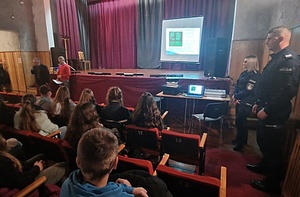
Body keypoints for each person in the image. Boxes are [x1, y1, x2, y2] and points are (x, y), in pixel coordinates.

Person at [247, 26, 300, 194]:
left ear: (279, 39)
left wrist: (268, 110)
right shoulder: (277, 58)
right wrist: (258, 102)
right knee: (263, 141)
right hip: (265, 105)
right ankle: (264, 166)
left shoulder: (288, 60)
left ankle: (272, 183)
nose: (267, 42)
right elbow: (267, 85)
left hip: (274, 112)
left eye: (269, 38)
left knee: (272, 148)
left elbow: (287, 91)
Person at [60, 127, 148, 197]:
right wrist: (130, 188)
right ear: (115, 163)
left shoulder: (67, 184)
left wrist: (127, 189)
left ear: (78, 162)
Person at [0, 134, 66, 190]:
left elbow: (21, 166)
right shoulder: (3, 161)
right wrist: (36, 168)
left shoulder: (4, 157)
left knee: (41, 156)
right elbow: (22, 182)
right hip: (28, 187)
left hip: (23, 176)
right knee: (63, 166)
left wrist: (35, 166)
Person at [231, 55, 261, 151]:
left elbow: (248, 90)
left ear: (251, 63)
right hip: (240, 99)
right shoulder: (244, 73)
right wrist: (235, 96)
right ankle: (240, 139)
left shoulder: (255, 75)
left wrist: (236, 96)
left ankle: (241, 143)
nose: (243, 63)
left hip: (247, 101)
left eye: (245, 62)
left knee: (241, 122)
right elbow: (237, 85)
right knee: (239, 122)